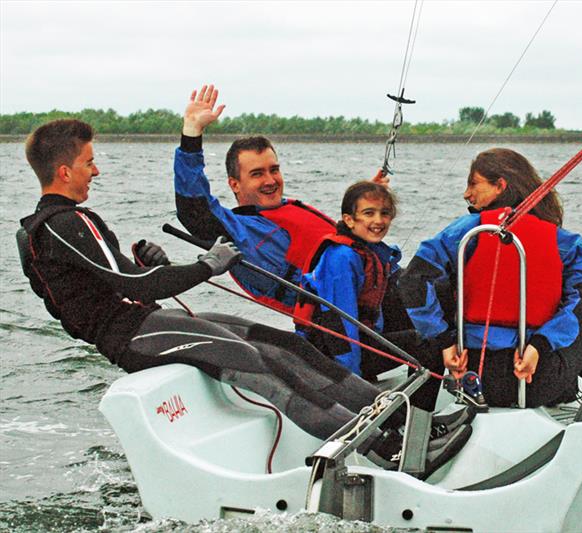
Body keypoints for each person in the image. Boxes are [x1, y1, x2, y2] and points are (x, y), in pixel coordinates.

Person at [18, 119, 470, 478]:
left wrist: (144, 258)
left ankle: (407, 421)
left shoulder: (70, 222)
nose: (95, 170)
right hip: (131, 333)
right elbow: (134, 287)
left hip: (146, 320)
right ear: (64, 171)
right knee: (257, 362)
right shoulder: (62, 223)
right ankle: (387, 448)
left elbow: (121, 276)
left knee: (285, 345)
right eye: (89, 162)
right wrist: (205, 266)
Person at [398, 148, 582, 414]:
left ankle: (413, 420)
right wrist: (539, 346)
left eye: (474, 184)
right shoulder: (564, 242)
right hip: (532, 377)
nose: (466, 194)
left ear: (500, 186)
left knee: (434, 311)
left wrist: (445, 343)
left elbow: (412, 281)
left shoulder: (466, 233)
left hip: (471, 379)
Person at [173, 84, 388, 314]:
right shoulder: (240, 233)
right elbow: (193, 209)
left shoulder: (284, 210)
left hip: (381, 285)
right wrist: (192, 134)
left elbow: (338, 243)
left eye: (273, 170)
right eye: (257, 174)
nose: (270, 180)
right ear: (234, 184)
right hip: (352, 313)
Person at [295, 181, 447, 412]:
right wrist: (352, 383)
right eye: (369, 213)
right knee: (428, 343)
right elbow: (340, 326)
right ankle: (415, 419)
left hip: (365, 337)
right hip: (331, 356)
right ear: (349, 220)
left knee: (437, 303)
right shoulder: (341, 258)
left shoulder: (369, 250)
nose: (378, 221)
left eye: (384, 213)